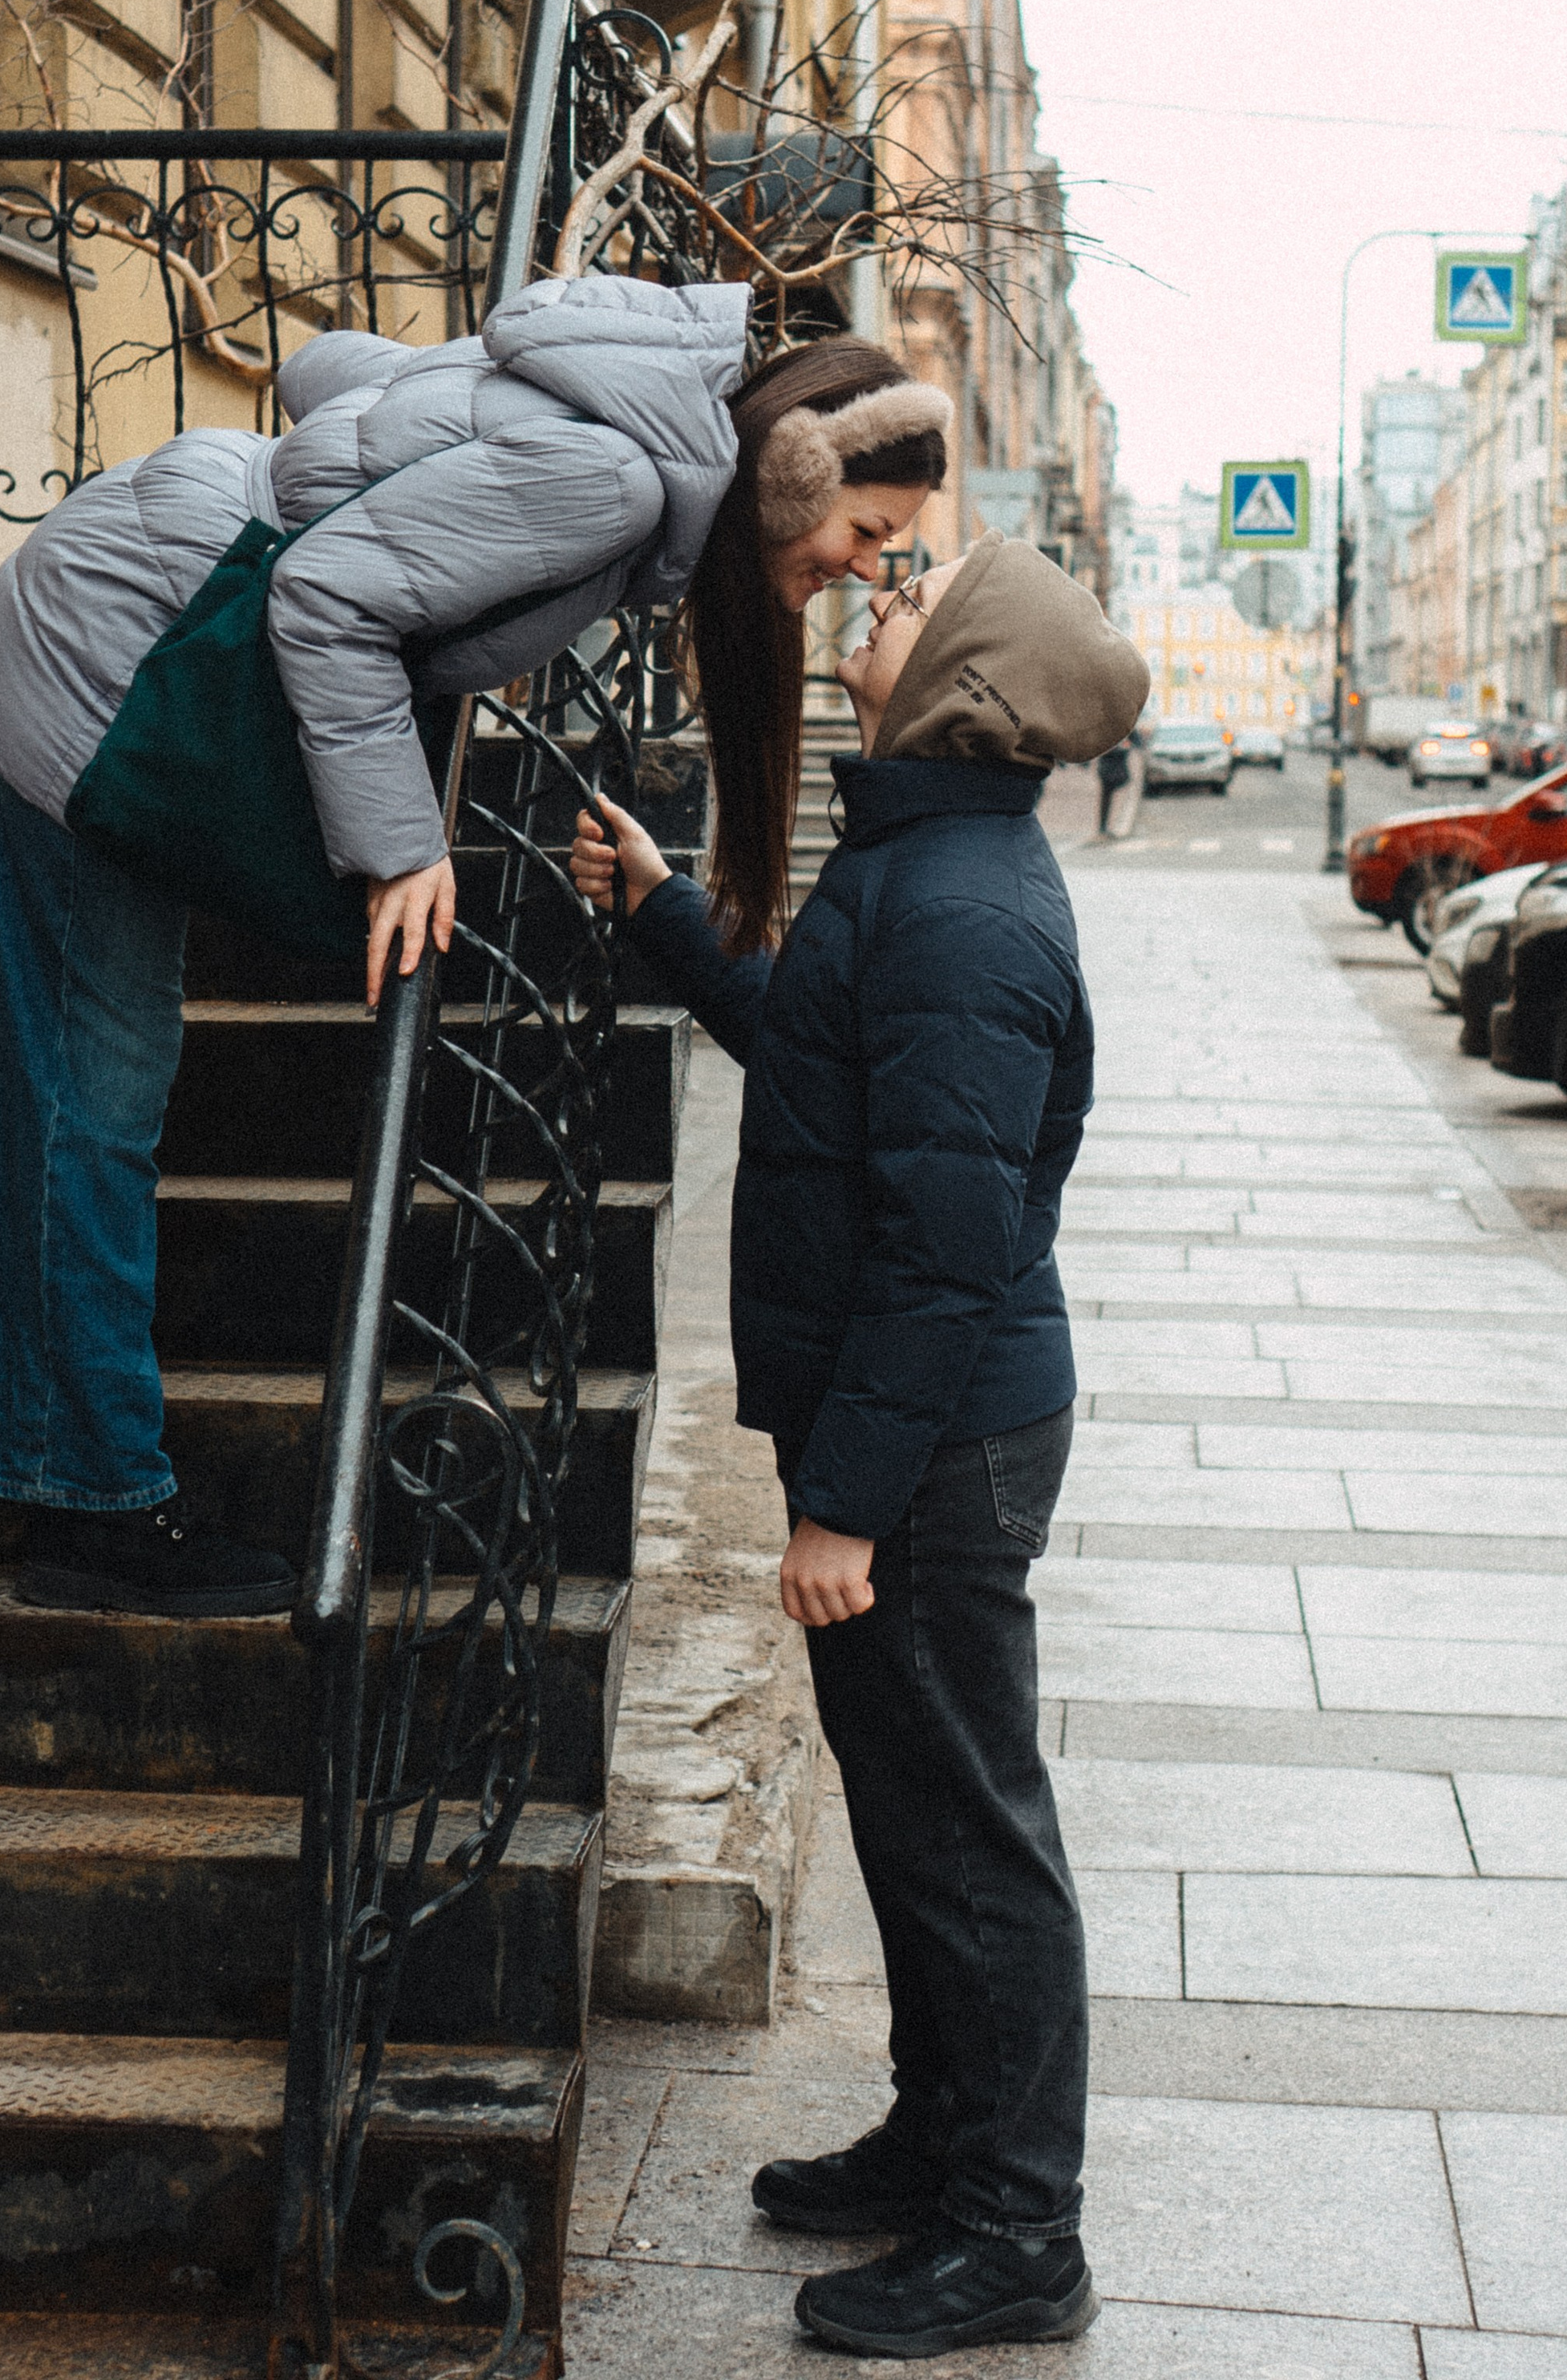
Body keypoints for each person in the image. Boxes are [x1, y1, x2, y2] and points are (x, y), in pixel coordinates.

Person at [0, 280, 950, 1617]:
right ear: (794, 471)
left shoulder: (611, 413)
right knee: (96, 1084)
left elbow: (325, 371)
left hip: (121, 616)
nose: (863, 565)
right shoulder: (619, 479)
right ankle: (85, 1499)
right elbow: (323, 597)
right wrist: (404, 845)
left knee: (0, 1012)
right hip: (117, 668)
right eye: (865, 528)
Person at [570, 532, 1151, 2360]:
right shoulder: (916, 859)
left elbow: (947, 1245)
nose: (869, 604)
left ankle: (1017, 2234)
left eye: (905, 600)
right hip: (911, 1427)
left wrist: (839, 1505)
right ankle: (939, 2137)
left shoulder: (966, 909)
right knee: (908, 1812)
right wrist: (673, 912)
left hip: (937, 1444)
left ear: (964, 677)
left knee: (971, 1830)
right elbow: (821, 1064)